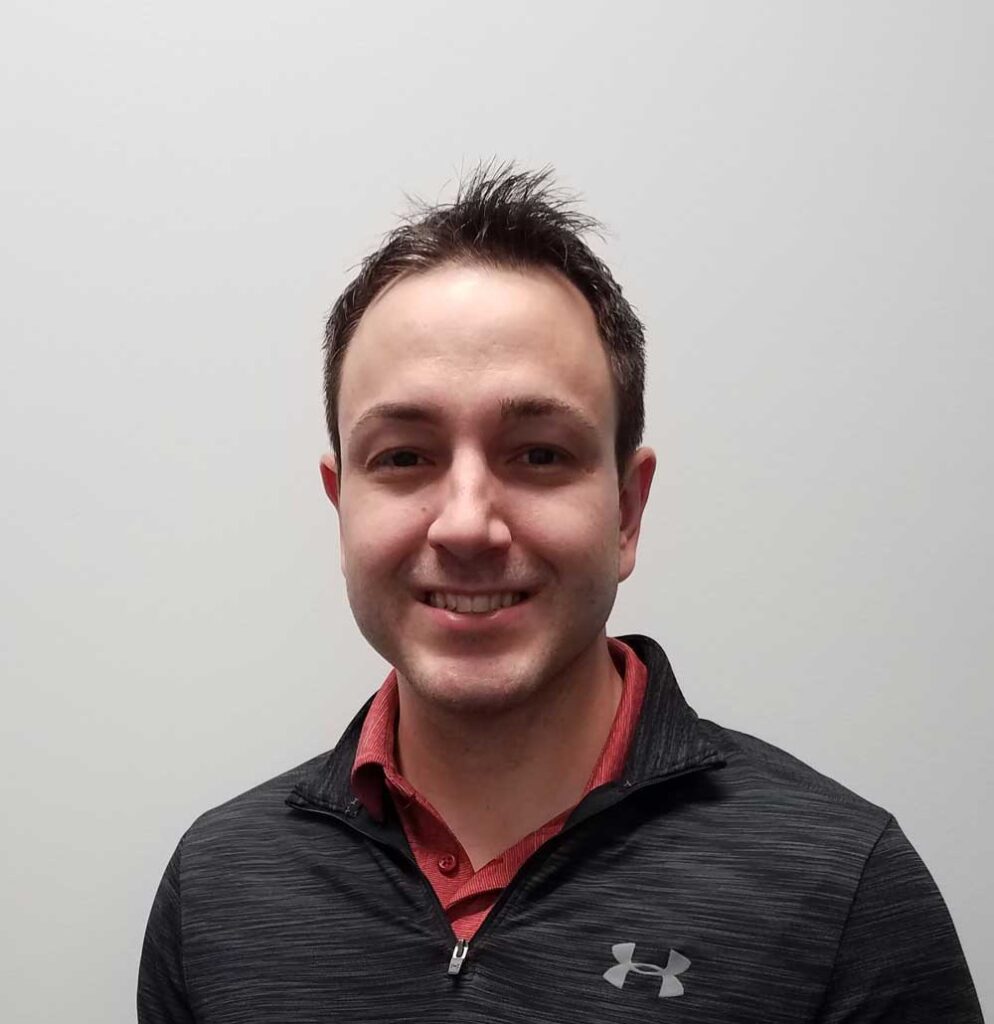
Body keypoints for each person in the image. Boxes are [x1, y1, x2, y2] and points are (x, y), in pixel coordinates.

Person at [138, 165, 983, 1022]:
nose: (466, 525)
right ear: (341, 502)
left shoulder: (843, 889)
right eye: (403, 457)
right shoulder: (217, 888)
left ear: (627, 509)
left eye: (538, 453)